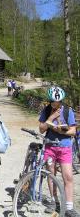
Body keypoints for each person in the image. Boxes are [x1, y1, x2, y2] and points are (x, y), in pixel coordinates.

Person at [39, 86, 80, 217]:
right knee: (51, 175)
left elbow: (73, 131)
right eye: (54, 102)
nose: (56, 104)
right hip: (50, 147)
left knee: (68, 176)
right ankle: (53, 201)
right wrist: (50, 118)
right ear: (49, 100)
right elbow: (41, 129)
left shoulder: (68, 111)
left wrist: (60, 130)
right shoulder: (46, 110)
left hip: (65, 147)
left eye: (59, 102)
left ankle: (69, 207)